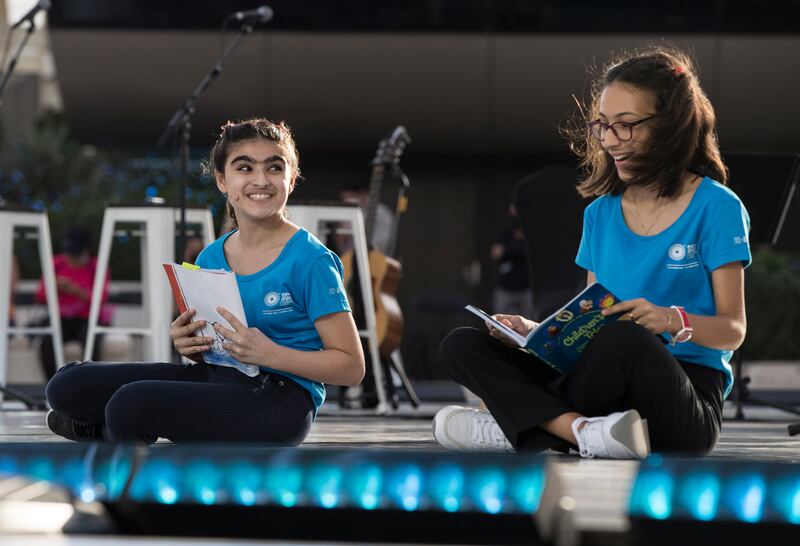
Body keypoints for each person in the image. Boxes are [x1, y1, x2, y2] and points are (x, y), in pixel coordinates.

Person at [433, 46, 750, 459]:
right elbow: (589, 320)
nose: (610, 140)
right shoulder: (600, 213)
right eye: (602, 125)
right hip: (603, 390)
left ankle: (519, 423)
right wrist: (534, 332)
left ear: (671, 125)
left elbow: (733, 328)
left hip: (684, 396)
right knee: (461, 344)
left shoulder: (717, 207)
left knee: (625, 337)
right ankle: (578, 429)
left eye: (626, 125)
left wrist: (670, 319)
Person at [45, 118, 365, 444]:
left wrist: (270, 355)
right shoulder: (211, 256)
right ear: (222, 180)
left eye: (274, 168)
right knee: (68, 384)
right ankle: (117, 426)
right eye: (244, 168)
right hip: (221, 377)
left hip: (281, 399)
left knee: (130, 404)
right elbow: (216, 351)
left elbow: (352, 367)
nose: (260, 180)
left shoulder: (311, 260)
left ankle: (106, 432)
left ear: (291, 179)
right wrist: (191, 346)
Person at [35, 226, 113, 380]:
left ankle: (91, 385)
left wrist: (77, 291)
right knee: (47, 344)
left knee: (91, 342)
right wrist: (54, 288)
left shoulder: (96, 266)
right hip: (61, 319)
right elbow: (40, 297)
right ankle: (52, 386)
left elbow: (101, 299)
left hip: (87, 319)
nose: (71, 258)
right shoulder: (55, 264)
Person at [490, 203, 533, 318]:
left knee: (527, 324)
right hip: (506, 287)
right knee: (500, 323)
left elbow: (532, 253)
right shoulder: (505, 234)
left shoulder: (532, 233)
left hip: (527, 288)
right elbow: (496, 253)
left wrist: (508, 251)